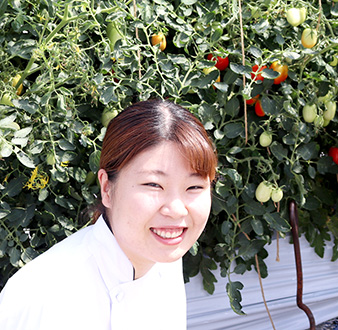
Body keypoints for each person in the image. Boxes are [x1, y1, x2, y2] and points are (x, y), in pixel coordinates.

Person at [0, 99, 217, 329]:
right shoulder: (45, 295)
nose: (176, 210)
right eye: (153, 185)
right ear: (107, 188)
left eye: (194, 187)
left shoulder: (164, 256)